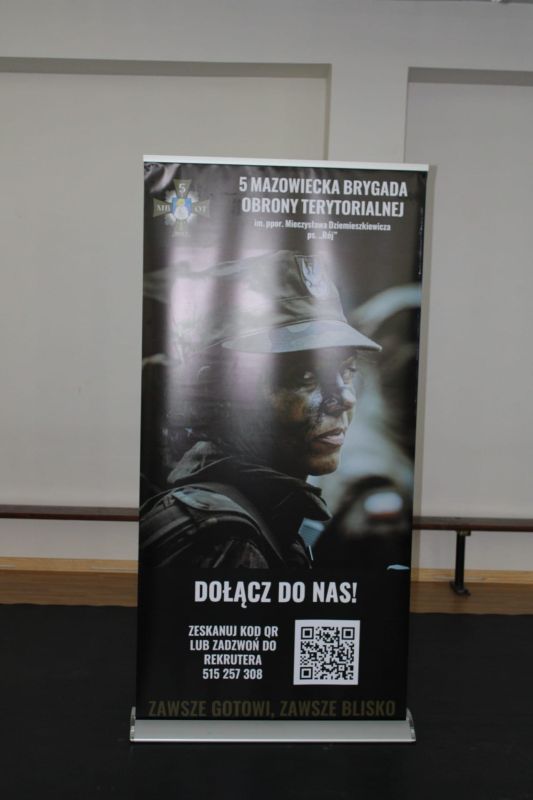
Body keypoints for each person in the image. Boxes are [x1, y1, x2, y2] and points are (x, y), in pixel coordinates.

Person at [140, 250, 380, 569]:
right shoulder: (224, 540)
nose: (345, 398)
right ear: (220, 391)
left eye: (348, 371)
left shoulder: (264, 516)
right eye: (305, 377)